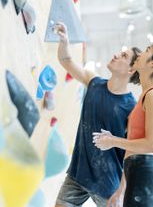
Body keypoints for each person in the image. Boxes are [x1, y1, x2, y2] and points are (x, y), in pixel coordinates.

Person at [53, 22, 141, 207]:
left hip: (107, 182)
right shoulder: (94, 82)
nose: (117, 54)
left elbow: (132, 152)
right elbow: (66, 61)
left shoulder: (132, 107)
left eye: (124, 56)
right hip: (78, 174)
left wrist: (121, 191)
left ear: (131, 70)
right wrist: (64, 40)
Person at [93, 43, 153, 207]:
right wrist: (120, 190)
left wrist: (112, 141)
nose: (140, 54)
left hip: (144, 178)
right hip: (137, 175)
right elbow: (133, 149)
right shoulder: (146, 94)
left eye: (147, 51)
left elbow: (151, 145)